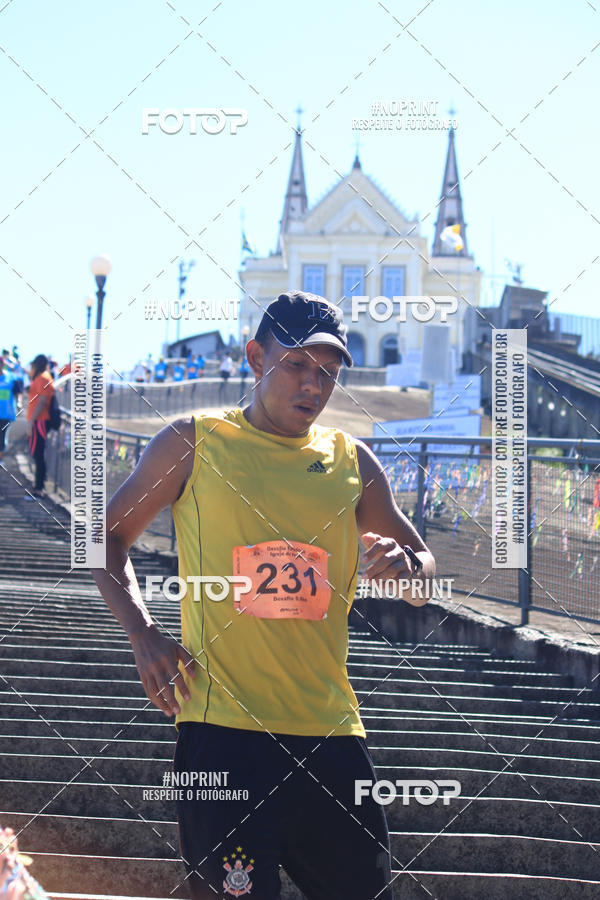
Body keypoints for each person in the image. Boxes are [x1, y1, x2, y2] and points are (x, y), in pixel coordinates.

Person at [91, 290, 436, 900]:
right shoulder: (192, 443)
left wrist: (406, 567)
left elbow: (424, 572)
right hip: (224, 737)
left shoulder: (352, 461)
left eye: (328, 372)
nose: (313, 385)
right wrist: (142, 633)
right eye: (297, 364)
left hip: (332, 734)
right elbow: (105, 539)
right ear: (255, 357)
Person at [26, 354, 54, 498]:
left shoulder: (43, 377)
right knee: (37, 453)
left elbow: (42, 401)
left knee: (38, 454)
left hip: (40, 421)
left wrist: (31, 421)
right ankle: (38, 486)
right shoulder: (40, 377)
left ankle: (39, 488)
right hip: (38, 420)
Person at [0, 358, 18, 461]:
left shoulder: (11, 377)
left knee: (1, 436)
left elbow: (18, 391)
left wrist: (19, 402)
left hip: (6, 414)